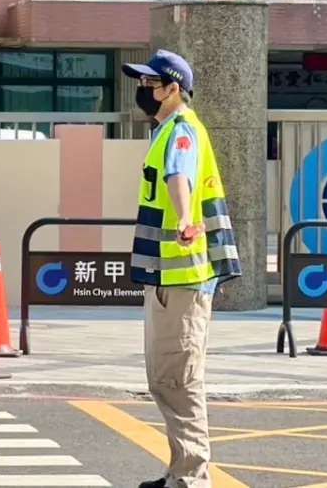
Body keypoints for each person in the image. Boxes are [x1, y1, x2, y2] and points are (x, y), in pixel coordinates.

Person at [121, 50, 241, 488]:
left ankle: (192, 477)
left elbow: (179, 177)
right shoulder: (167, 129)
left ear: (172, 88)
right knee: (165, 377)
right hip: (168, 277)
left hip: (184, 277)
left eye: (150, 84)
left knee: (179, 378)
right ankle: (180, 472)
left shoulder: (182, 131)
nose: (143, 91)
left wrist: (186, 216)